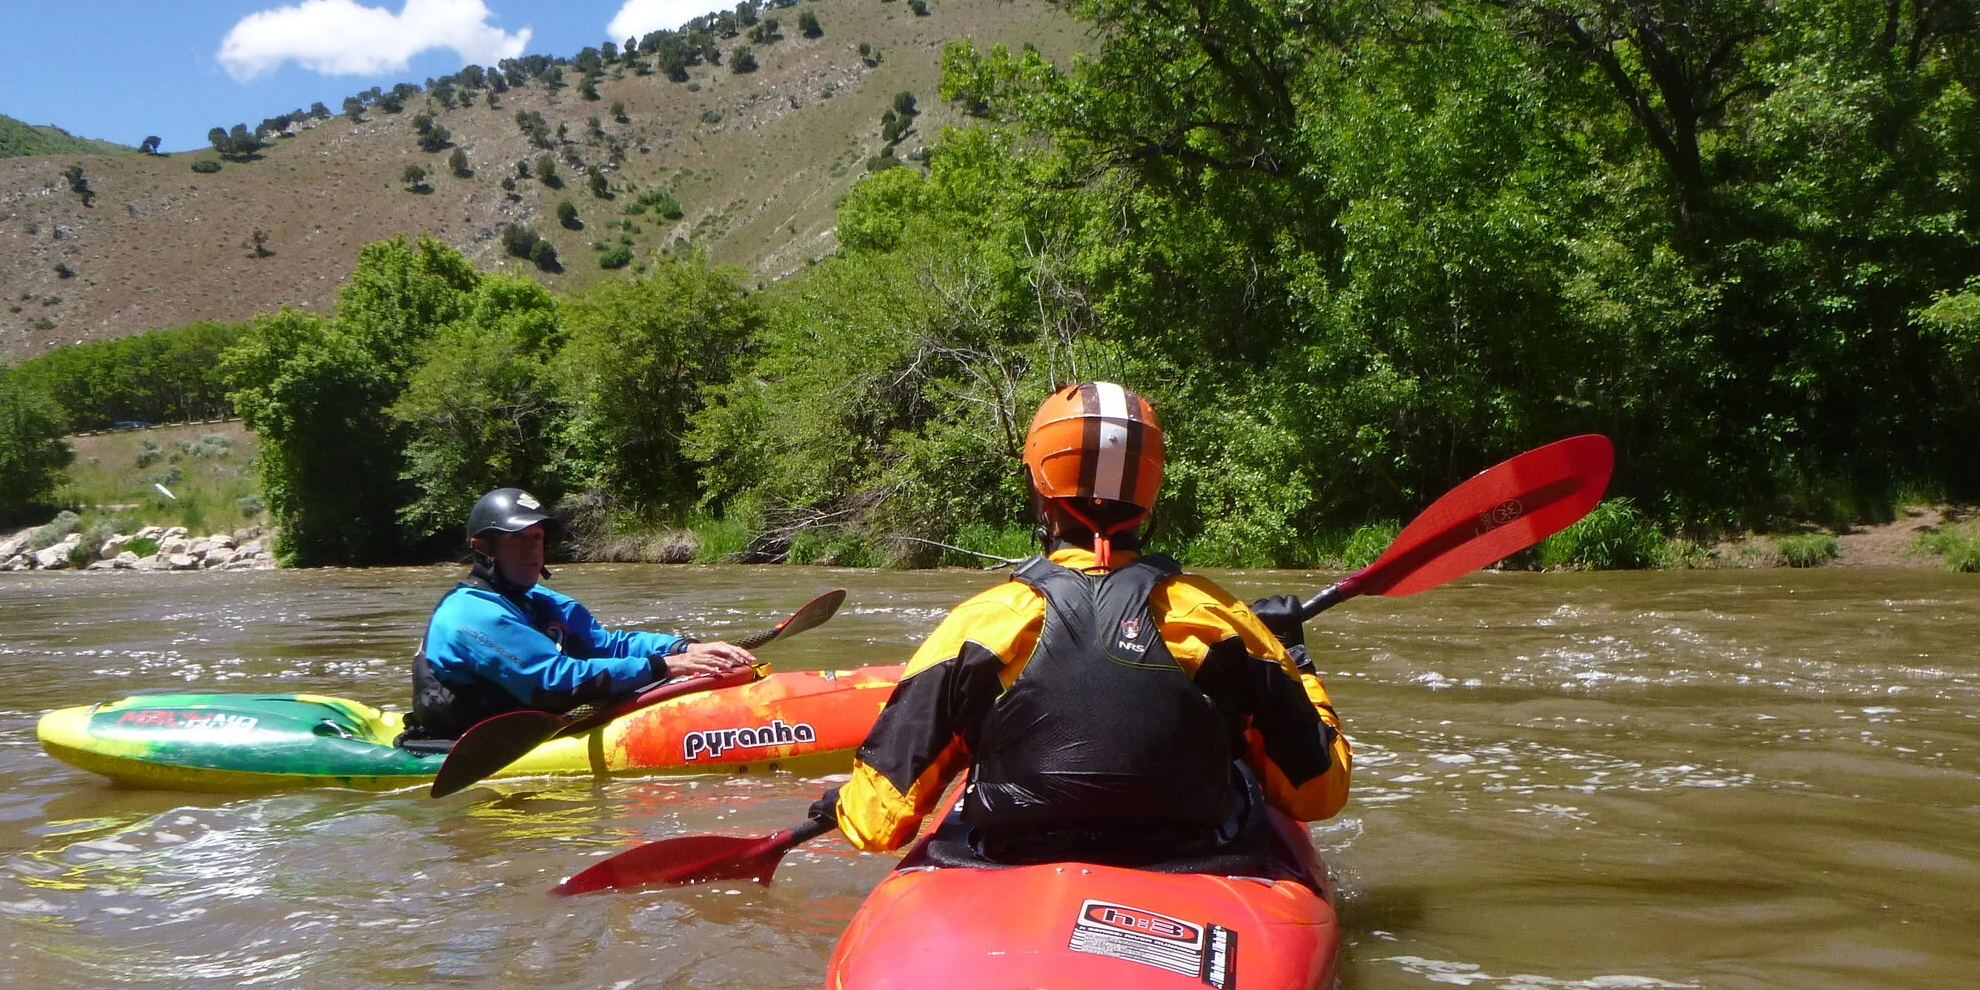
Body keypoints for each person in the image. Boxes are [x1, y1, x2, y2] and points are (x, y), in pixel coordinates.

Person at [823, 383, 1350, 869]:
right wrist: (1296, 661)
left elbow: (876, 825)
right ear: (1150, 494)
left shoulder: (981, 626)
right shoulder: (1217, 619)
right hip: (1189, 859)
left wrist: (844, 804)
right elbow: (1319, 792)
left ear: (1039, 488)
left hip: (1013, 863)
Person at [402, 488, 753, 746]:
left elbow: (606, 644)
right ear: (483, 548)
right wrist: (662, 668)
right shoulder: (471, 613)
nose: (532, 548)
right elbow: (552, 684)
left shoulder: (537, 600)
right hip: (469, 739)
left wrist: (684, 648)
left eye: (537, 537)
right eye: (518, 538)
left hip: (535, 723)